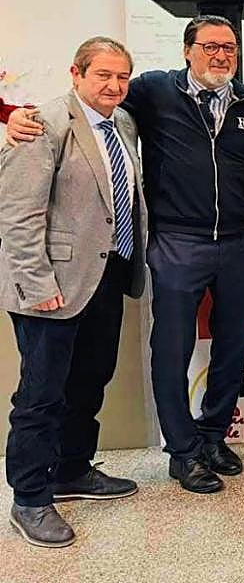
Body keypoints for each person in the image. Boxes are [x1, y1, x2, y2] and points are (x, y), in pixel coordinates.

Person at [5, 16, 244, 493]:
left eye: (230, 48)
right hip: (176, 243)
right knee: (169, 351)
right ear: (187, 50)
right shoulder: (152, 92)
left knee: (233, 347)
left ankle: (214, 436)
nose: (221, 56)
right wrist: (13, 113)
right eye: (211, 46)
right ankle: (183, 451)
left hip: (240, 243)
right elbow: (80, 110)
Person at [0, 38, 146, 548]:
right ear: (76, 73)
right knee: (42, 394)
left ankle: (72, 469)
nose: (114, 86)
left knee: (89, 380)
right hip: (53, 285)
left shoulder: (123, 123)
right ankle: (31, 498)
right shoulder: (42, 124)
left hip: (105, 276)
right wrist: (37, 284)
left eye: (122, 77)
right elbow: (18, 215)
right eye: (103, 75)